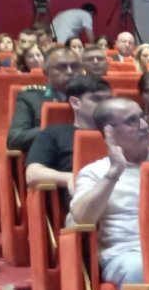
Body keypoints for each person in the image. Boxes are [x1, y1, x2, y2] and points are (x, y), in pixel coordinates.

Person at [70, 98, 149, 286]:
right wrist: (115, 171)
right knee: (139, 268)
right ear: (109, 131)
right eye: (131, 121)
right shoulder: (95, 172)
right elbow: (83, 218)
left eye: (142, 117)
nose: (144, 126)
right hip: (127, 253)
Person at [27, 75, 111, 205]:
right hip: (84, 202)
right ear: (75, 103)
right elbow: (32, 173)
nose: (106, 105)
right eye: (97, 99)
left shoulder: (121, 133)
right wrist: (68, 177)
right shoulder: (54, 133)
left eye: (109, 100)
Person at [8, 46, 80, 152]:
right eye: (62, 67)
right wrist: (53, 130)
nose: (70, 71)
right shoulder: (31, 97)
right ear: (46, 72)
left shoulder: (91, 97)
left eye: (75, 67)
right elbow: (15, 139)